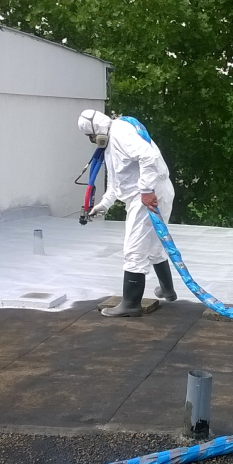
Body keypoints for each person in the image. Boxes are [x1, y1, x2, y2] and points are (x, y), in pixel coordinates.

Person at [78, 109, 178, 317]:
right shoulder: (112, 138)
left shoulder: (120, 134)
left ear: (96, 130)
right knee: (154, 244)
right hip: (155, 190)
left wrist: (146, 191)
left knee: (134, 249)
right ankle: (167, 290)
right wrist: (104, 204)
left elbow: (148, 156)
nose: (92, 140)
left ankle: (131, 304)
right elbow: (118, 181)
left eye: (90, 136)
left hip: (147, 194)